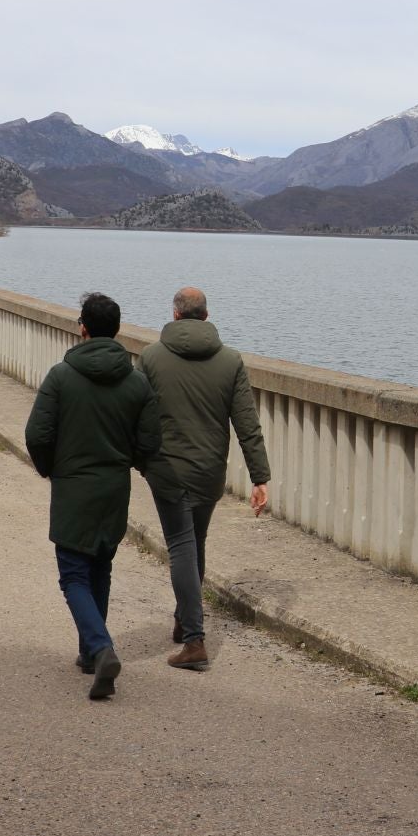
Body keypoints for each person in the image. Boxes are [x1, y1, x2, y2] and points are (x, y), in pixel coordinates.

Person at [23, 292, 160, 700]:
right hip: (114, 486)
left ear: (82, 327)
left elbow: (37, 434)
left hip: (74, 486)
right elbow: (150, 439)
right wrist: (127, 460)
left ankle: (100, 648)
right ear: (116, 329)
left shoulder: (61, 377)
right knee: (101, 563)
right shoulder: (136, 381)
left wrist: (52, 468)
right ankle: (90, 652)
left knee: (73, 574)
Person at [137, 286, 270, 671]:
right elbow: (248, 424)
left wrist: (138, 460)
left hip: (167, 470)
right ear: (207, 317)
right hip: (210, 470)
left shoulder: (150, 357)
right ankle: (184, 619)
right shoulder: (230, 361)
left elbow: (135, 413)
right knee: (195, 542)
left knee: (181, 546)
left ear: (175, 315)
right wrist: (259, 478)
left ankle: (194, 641)